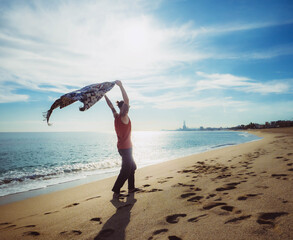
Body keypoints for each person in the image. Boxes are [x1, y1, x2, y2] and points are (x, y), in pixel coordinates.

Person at [104, 80, 137, 198]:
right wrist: (121, 86)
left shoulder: (116, 116)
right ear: (123, 108)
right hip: (126, 148)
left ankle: (131, 187)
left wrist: (104, 95)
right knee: (126, 169)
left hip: (123, 148)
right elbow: (126, 100)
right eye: (125, 107)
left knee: (132, 167)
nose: (127, 108)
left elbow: (111, 106)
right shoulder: (123, 116)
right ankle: (116, 190)